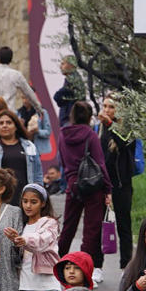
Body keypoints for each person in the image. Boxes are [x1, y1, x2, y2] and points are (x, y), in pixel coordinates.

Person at [57, 100, 111, 261]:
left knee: (68, 226)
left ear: (72, 115)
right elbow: (100, 164)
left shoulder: (62, 134)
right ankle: (82, 264)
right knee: (91, 230)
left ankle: (57, 261)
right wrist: (108, 189)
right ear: (89, 117)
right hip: (92, 185)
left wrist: (69, 179)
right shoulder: (91, 135)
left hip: (73, 184)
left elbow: (63, 162)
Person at [13, 182, 63, 291]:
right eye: (25, 201)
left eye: (33, 202)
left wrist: (24, 240)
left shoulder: (50, 223)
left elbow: (42, 241)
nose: (28, 206)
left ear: (43, 203)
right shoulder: (20, 225)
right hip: (27, 284)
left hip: (49, 284)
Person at [98, 96, 137, 269]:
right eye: (104, 106)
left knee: (123, 226)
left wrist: (109, 125)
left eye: (111, 107)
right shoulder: (101, 128)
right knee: (99, 226)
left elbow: (123, 143)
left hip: (122, 185)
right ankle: (97, 267)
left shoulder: (127, 128)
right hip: (103, 184)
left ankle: (125, 267)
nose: (106, 110)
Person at [0, 44, 40, 120]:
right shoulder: (17, 75)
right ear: (11, 59)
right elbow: (30, 94)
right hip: (10, 114)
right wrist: (39, 110)